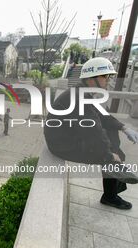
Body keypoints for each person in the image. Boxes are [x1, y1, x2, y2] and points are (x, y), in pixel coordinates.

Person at [44, 57, 138, 210]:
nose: (108, 80)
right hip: (62, 145)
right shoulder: (79, 98)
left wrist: (124, 128)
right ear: (92, 79)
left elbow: (103, 116)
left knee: (111, 133)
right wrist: (109, 155)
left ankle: (114, 169)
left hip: (67, 136)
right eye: (105, 76)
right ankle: (111, 195)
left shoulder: (83, 93)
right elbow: (93, 133)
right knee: (110, 155)